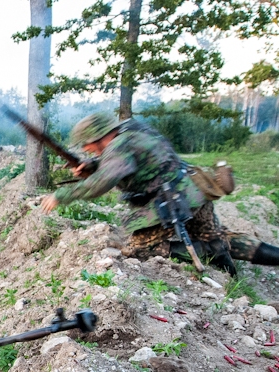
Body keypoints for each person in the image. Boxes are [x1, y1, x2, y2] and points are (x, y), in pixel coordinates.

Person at [40, 112, 279, 274]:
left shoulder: (117, 146)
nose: (86, 149)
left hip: (170, 202)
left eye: (87, 143)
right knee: (218, 237)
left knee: (137, 249)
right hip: (194, 189)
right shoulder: (132, 133)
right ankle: (223, 255)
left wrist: (60, 195)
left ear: (99, 136)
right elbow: (137, 162)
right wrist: (92, 165)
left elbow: (102, 183)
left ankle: (208, 251)